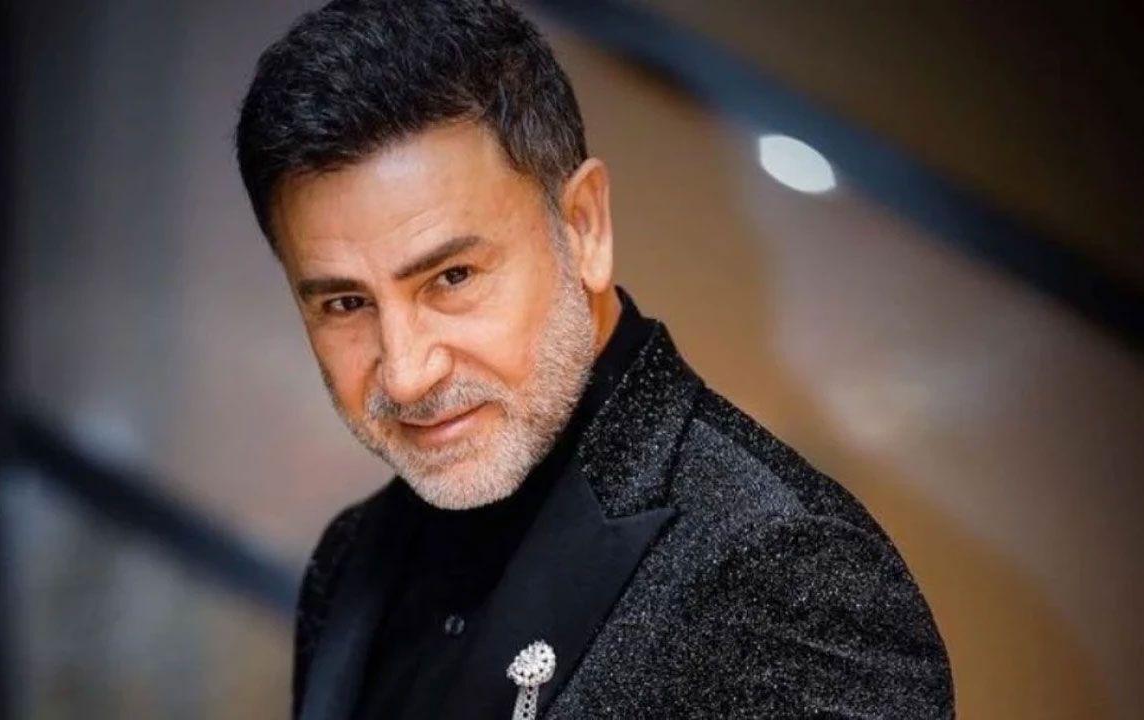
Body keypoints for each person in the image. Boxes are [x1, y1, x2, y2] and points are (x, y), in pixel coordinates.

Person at [234, 1, 953, 718]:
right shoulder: (349, 559)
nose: (406, 373)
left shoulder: (785, 572)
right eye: (346, 304)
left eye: (452, 278)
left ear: (584, 227)